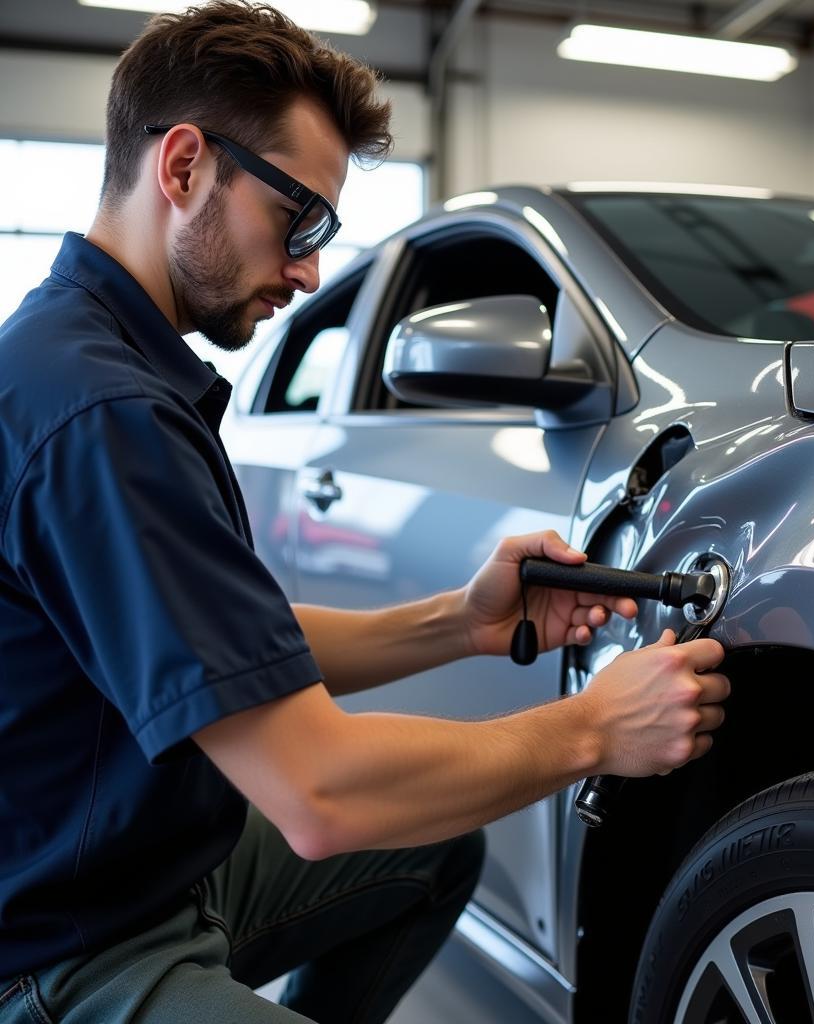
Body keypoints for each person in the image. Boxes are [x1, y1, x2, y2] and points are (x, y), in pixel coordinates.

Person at [0, 2, 730, 1021]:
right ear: (181, 168)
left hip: (143, 868)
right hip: (58, 950)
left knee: (432, 848)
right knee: (364, 814)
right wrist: (591, 730)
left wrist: (460, 624)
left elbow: (217, 648)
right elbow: (318, 794)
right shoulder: (102, 411)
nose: (305, 272)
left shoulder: (89, 357)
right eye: (298, 221)